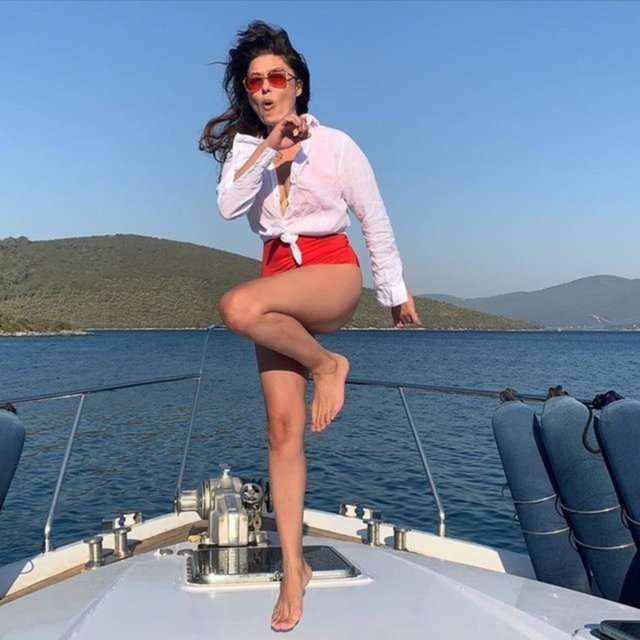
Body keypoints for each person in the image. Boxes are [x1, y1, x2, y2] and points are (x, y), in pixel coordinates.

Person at [200, 20, 421, 632]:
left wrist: (394, 292)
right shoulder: (248, 149)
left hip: (329, 271)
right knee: (281, 431)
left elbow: (373, 217)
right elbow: (228, 207)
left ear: (297, 83)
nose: (266, 89)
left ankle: (328, 364)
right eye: (254, 82)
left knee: (237, 308)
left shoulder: (337, 145)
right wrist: (268, 145)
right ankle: (293, 569)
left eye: (277, 78)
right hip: (277, 279)